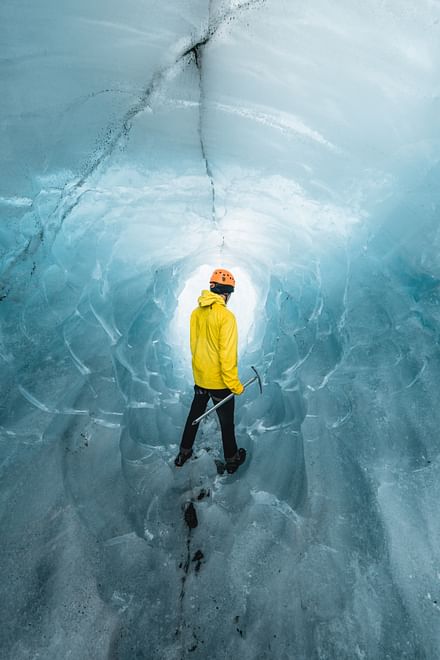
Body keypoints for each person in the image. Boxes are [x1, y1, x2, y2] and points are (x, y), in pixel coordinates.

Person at [175, 268, 247, 474]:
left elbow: (195, 346)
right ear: (226, 293)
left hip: (201, 380)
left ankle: (184, 453)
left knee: (193, 417)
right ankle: (232, 459)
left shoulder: (196, 313)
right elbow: (227, 356)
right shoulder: (226, 317)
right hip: (220, 384)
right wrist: (234, 385)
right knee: (226, 424)